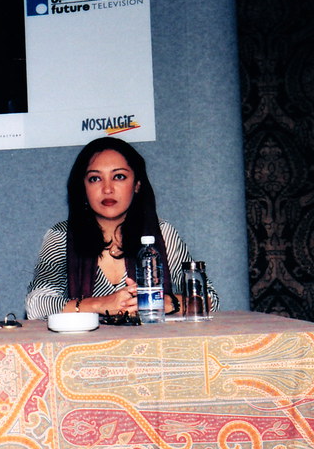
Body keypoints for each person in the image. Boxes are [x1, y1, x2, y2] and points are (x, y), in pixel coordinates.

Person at [25, 137, 219, 320]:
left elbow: (209, 299)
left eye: (118, 177)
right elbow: (36, 305)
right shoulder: (62, 236)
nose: (107, 189)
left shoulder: (162, 233)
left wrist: (162, 302)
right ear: (82, 188)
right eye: (95, 179)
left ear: (137, 185)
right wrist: (99, 304)